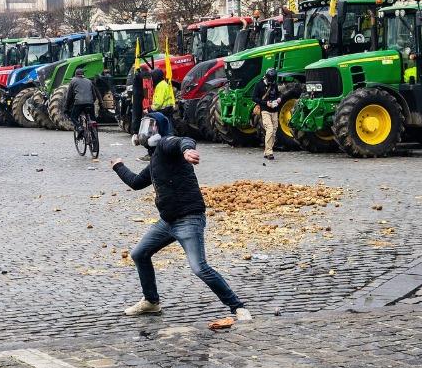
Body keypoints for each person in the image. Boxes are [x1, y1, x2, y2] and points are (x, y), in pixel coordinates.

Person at [111, 112, 251, 321]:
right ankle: (151, 302)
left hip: (188, 219)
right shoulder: (155, 160)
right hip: (167, 221)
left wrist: (187, 151)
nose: (146, 132)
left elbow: (183, 141)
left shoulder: (167, 144)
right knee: (139, 254)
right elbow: (136, 182)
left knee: (199, 267)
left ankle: (237, 307)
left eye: (151, 126)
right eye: (145, 127)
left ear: (160, 129)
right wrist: (118, 167)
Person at [252, 68, 282, 160]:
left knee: (274, 130)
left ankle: (267, 150)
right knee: (270, 129)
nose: (271, 81)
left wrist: (279, 99)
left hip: (274, 110)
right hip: (265, 110)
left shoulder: (274, 84)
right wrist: (266, 103)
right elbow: (254, 98)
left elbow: (278, 94)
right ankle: (269, 152)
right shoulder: (259, 84)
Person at [64, 68, 97, 139]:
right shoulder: (89, 81)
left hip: (79, 103)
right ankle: (94, 138)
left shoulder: (73, 81)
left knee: (73, 117)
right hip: (90, 103)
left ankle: (79, 128)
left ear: (76, 75)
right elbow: (94, 95)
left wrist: (66, 108)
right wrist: (91, 102)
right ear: (83, 75)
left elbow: (69, 96)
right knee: (92, 119)